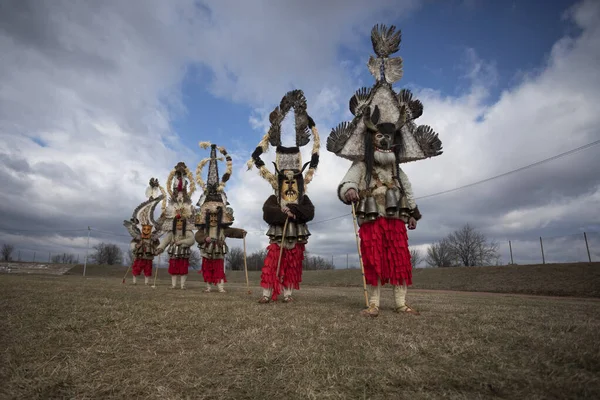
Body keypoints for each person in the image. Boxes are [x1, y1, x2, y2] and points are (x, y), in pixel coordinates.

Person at [326, 24, 443, 317]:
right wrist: (349, 190)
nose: (383, 141)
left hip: (394, 216)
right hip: (370, 214)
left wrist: (412, 213)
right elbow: (346, 182)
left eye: (388, 137)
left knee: (399, 258)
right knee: (374, 258)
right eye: (378, 136)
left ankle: (401, 303)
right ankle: (375, 304)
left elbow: (407, 187)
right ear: (370, 138)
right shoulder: (362, 165)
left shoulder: (397, 169)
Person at [247, 89, 320, 303]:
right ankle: (267, 293)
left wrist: (295, 210)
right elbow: (267, 209)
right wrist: (280, 212)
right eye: (284, 176)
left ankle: (287, 294)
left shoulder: (303, 186)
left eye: (292, 176)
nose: (288, 180)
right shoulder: (274, 186)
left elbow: (310, 209)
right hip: (279, 229)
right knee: (273, 260)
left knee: (292, 260)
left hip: (296, 228)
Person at [194, 142, 247, 293]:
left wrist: (240, 233)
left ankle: (220, 286)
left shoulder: (223, 228)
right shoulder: (203, 228)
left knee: (218, 266)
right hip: (207, 247)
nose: (212, 219)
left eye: (214, 217)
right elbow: (198, 235)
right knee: (207, 265)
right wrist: (205, 239)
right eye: (210, 217)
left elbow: (230, 232)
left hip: (219, 248)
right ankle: (208, 287)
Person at [156, 162, 197, 289]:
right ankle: (174, 285)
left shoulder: (188, 230)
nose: (179, 224)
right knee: (173, 267)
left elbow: (192, 239)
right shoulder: (172, 231)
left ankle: (182, 285)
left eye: (181, 222)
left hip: (183, 251)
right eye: (177, 222)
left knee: (183, 268)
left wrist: (182, 242)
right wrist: (161, 248)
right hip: (174, 251)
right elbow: (166, 239)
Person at [123, 178, 165, 285]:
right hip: (140, 255)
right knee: (137, 266)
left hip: (149, 255)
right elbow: (133, 243)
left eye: (148, 229)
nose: (146, 230)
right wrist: (135, 247)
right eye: (144, 229)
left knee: (148, 268)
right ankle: (134, 281)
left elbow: (157, 243)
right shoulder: (138, 236)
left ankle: (146, 282)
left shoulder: (153, 237)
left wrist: (157, 249)